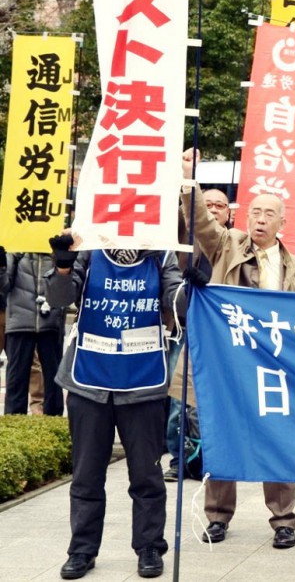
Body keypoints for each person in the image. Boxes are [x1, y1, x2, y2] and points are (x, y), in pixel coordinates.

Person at [179, 148, 295, 550]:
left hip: (276, 368)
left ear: (283, 222)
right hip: (230, 364)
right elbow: (202, 223)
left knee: (279, 441)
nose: (259, 219)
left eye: (268, 213)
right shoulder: (227, 247)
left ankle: (284, 520)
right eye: (254, 212)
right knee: (224, 435)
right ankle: (217, 516)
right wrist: (190, 181)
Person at [46, 233, 186, 580]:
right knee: (86, 475)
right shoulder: (90, 248)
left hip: (142, 382)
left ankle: (150, 546)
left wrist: (193, 283)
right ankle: (81, 550)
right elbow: (60, 300)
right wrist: (63, 266)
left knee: (147, 475)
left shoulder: (161, 252)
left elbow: (179, 305)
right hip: (89, 381)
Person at [165, 188, 231, 482]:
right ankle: (178, 458)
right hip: (185, 326)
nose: (215, 210)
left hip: (222, 334)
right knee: (180, 396)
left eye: (221, 205)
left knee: (216, 398)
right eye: (209, 205)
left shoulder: (235, 244)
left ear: (229, 213)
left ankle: (211, 455)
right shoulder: (183, 237)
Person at [0, 250, 66, 416]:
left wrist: (63, 259)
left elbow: (65, 292)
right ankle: (15, 428)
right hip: (19, 321)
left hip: (50, 321)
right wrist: (2, 266)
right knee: (16, 379)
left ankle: (53, 426)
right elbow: (3, 287)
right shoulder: (16, 249)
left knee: (54, 378)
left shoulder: (55, 249)